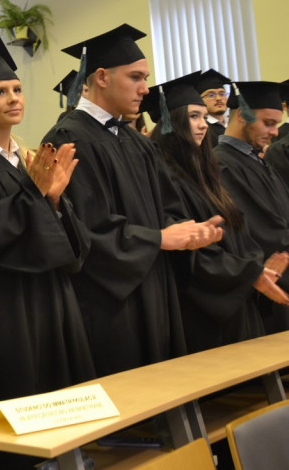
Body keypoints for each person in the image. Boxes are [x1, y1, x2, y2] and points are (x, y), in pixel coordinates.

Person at [0, 39, 94, 469]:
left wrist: (57, 201)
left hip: (51, 298)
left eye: (17, 89)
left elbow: (68, 238)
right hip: (8, 305)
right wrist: (36, 192)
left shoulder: (28, 161)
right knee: (21, 414)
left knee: (62, 408)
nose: (13, 98)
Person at [41, 24, 222, 377]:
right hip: (109, 301)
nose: (146, 88)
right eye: (136, 77)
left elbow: (167, 207)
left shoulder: (136, 141)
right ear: (103, 77)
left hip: (155, 286)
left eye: (146, 78)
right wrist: (158, 239)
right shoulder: (69, 137)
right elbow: (86, 228)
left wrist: (184, 230)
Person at [142, 73, 288, 352]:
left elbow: (240, 232)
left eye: (203, 117)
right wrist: (249, 272)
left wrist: (253, 267)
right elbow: (192, 251)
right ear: (171, 121)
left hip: (241, 290)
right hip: (207, 303)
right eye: (194, 116)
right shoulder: (167, 177)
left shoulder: (203, 172)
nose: (202, 125)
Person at [214, 81, 289, 333]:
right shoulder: (222, 165)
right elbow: (262, 230)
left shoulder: (257, 161)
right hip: (268, 286)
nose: (275, 132)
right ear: (240, 115)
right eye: (268, 123)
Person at [194, 69, 231, 148]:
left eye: (222, 94)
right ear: (199, 99)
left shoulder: (234, 124)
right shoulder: (201, 130)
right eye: (211, 95)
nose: (218, 98)